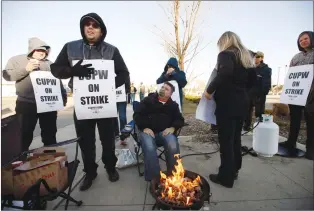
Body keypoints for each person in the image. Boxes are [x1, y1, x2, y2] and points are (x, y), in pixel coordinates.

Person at [50, 13, 130, 191]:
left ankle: (110, 167)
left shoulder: (112, 50)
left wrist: (109, 85)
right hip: (83, 104)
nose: (90, 27)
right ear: (82, 28)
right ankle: (90, 172)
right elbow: (55, 69)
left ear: (101, 30)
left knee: (108, 140)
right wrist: (72, 70)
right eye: (87, 24)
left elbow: (124, 73)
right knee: (86, 142)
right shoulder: (70, 47)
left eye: (95, 25)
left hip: (105, 104)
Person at [204, 31, 255, 188]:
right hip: (241, 104)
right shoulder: (246, 57)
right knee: (235, 139)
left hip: (227, 104)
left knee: (226, 141)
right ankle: (234, 170)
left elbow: (224, 73)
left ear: (225, 41)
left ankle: (225, 177)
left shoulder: (226, 54)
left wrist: (209, 90)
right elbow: (253, 81)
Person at [3, 37, 67, 152]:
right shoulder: (17, 60)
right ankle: (20, 160)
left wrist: (63, 97)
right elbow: (7, 76)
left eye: (44, 51)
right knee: (24, 135)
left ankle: (50, 161)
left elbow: (57, 81)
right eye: (39, 50)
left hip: (48, 105)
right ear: (32, 50)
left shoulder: (50, 64)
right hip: (27, 104)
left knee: (50, 135)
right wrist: (26, 69)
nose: (42, 53)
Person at [133, 82, 185, 181]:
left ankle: (174, 175)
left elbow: (179, 119)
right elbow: (137, 115)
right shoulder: (148, 101)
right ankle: (155, 179)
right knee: (149, 146)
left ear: (170, 94)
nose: (163, 89)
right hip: (147, 132)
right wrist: (144, 127)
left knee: (172, 143)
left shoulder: (173, 106)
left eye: (166, 89)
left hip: (163, 133)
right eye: (163, 87)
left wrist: (173, 128)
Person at [279, 31, 314, 160]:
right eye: (300, 40)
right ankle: (291, 141)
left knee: (311, 121)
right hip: (296, 93)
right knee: (294, 119)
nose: (303, 41)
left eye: (306, 38)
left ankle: (311, 148)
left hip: (311, 95)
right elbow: (291, 74)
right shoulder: (296, 57)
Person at [243, 51, 272, 132]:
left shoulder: (266, 69)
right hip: (249, 94)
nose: (255, 58)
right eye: (254, 57)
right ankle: (246, 126)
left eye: (258, 57)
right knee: (247, 111)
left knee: (259, 113)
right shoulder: (249, 68)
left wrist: (263, 94)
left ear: (261, 58)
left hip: (259, 95)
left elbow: (267, 83)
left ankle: (260, 128)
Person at [114, 75, 131, 145]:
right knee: (113, 117)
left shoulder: (124, 71)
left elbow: (127, 83)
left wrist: (126, 90)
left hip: (121, 97)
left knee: (122, 117)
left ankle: (124, 135)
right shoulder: (109, 70)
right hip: (112, 98)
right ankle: (116, 134)